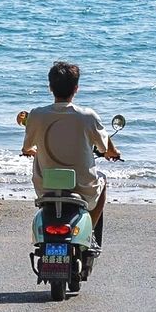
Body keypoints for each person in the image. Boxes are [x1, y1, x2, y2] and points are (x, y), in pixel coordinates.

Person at [19, 61, 122, 245]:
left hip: (46, 187)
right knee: (103, 179)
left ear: (50, 87)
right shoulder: (87, 116)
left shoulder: (37, 115)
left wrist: (32, 151)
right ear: (76, 88)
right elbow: (105, 148)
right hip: (82, 188)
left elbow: (26, 148)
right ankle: (89, 232)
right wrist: (113, 153)